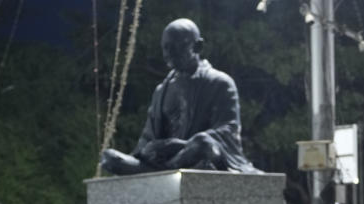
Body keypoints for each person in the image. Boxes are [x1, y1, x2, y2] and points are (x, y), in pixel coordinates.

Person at [100, 19, 260, 175]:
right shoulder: (162, 90)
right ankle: (163, 171)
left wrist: (178, 145)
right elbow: (148, 137)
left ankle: (162, 172)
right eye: (166, 48)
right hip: (165, 157)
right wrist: (146, 150)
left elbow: (228, 131)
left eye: (178, 47)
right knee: (109, 158)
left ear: (198, 46)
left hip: (196, 153)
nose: (170, 54)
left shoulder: (219, 82)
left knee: (203, 143)